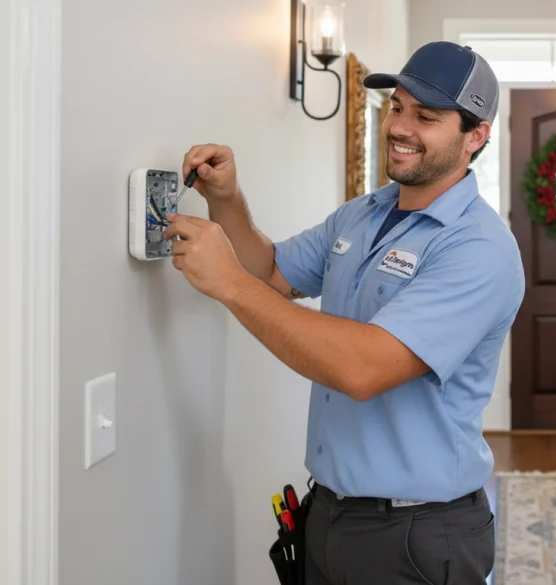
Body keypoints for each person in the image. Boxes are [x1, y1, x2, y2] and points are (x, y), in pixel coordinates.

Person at [163, 41, 524, 585]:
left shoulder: (480, 249)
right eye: (397, 106)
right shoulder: (362, 213)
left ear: (475, 136)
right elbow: (272, 274)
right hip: (328, 513)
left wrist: (229, 283)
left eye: (426, 117)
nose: (399, 127)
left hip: (418, 535)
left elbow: (363, 369)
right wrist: (226, 200)